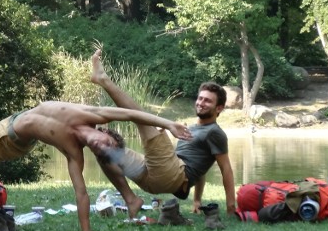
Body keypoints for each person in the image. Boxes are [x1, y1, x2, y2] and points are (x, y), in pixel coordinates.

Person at [0, 101, 192, 231]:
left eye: (102, 153)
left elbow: (81, 192)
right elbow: (130, 113)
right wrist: (168, 123)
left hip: (9, 136)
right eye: (107, 144)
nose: (101, 148)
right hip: (11, 122)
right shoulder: (91, 114)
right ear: (106, 132)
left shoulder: (74, 153)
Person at [89, 49, 236, 219]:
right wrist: (197, 200)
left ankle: (103, 80)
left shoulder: (215, 132)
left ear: (219, 108)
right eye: (200, 98)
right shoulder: (193, 128)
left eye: (208, 101)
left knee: (141, 118)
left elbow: (226, 170)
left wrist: (231, 206)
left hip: (174, 176)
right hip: (155, 176)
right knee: (103, 149)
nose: (201, 103)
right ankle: (131, 199)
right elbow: (201, 167)